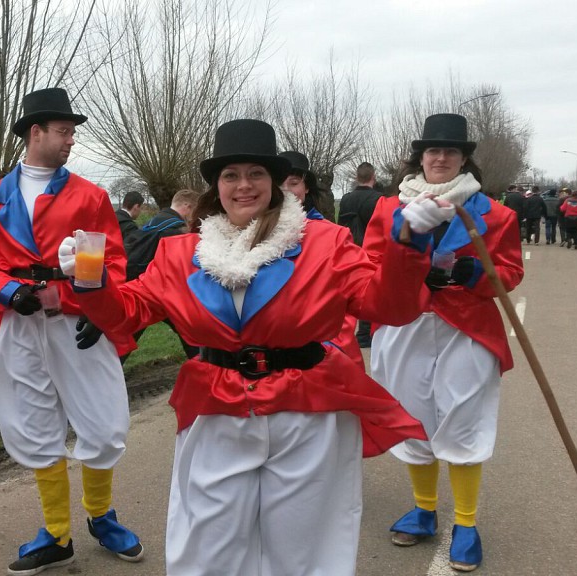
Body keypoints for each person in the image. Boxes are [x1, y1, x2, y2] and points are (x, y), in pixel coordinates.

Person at [60, 119, 448, 575]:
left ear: (275, 183)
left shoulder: (326, 243)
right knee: (207, 548)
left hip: (308, 414)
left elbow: (389, 306)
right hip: (217, 410)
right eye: (231, 175)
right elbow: (127, 313)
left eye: (255, 173)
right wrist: (90, 281)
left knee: (302, 551)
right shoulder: (179, 254)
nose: (243, 185)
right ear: (216, 187)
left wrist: (409, 246)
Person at [0, 87, 143, 574]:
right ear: (35, 132)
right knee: (33, 422)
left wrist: (90, 307)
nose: (71, 140)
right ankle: (57, 533)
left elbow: (113, 263)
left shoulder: (90, 196)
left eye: (72, 132)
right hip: (20, 324)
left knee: (103, 424)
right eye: (64, 131)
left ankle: (101, 516)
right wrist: (7, 292)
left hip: (76, 321)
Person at [364, 113, 524, 572]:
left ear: (463, 159)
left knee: (464, 421)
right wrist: (409, 270)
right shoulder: (387, 209)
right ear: (420, 158)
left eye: (449, 151)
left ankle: (467, 525)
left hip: (466, 328)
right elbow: (370, 262)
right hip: (405, 325)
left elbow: (510, 271)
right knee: (413, 418)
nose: (440, 158)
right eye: (432, 151)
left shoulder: (496, 214)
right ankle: (424, 510)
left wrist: (476, 274)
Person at [280, 150, 365, 370]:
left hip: (320, 354)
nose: (286, 190)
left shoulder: (332, 236)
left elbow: (348, 300)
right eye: (279, 184)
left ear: (306, 187)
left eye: (294, 183)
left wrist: (329, 347)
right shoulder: (252, 235)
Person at [123, 188, 201, 360]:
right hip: (164, 292)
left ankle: (110, 370)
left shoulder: (153, 222)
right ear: (187, 207)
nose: (195, 217)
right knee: (193, 336)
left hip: (141, 288)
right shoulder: (177, 230)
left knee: (129, 336)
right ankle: (206, 366)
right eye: (195, 211)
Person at [338, 161, 385, 347]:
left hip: (349, 249)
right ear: (373, 177)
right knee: (368, 291)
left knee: (347, 292)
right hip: (370, 249)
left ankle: (344, 334)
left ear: (357, 177)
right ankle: (365, 334)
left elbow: (341, 224)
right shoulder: (379, 199)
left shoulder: (346, 199)